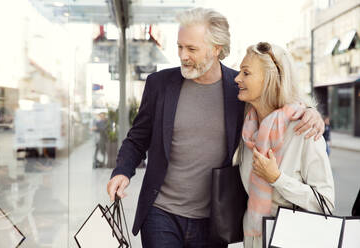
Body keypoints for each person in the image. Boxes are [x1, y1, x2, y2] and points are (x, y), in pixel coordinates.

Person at [107, 8, 324, 247]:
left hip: (213, 221)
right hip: (161, 213)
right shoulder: (159, 84)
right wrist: (121, 171)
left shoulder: (239, 89)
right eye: (180, 47)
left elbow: (275, 105)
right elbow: (138, 138)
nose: (183, 55)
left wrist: (311, 113)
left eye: (192, 49)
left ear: (216, 49)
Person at [234, 42, 335, 248]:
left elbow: (325, 204)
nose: (237, 79)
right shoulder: (248, 130)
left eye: (246, 73)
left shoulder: (304, 129)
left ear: (269, 80)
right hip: (252, 239)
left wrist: (277, 179)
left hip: (292, 239)